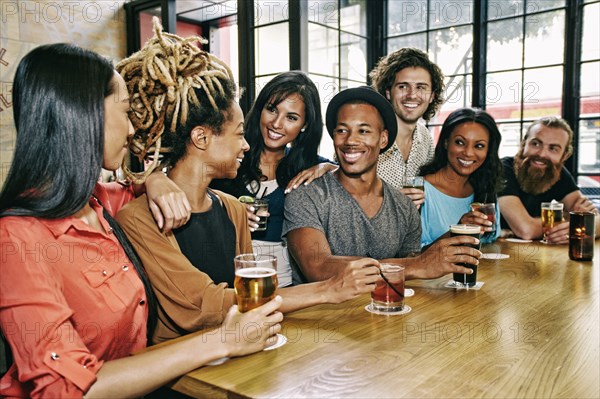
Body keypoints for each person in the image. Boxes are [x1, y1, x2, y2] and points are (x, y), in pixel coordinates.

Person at [0, 43, 282, 398]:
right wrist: (223, 341)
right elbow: (67, 390)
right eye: (125, 112)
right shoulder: (16, 238)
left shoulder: (103, 203)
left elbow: (140, 182)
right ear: (85, 116)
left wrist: (155, 179)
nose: (134, 130)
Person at [115, 19, 377, 345]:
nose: (247, 144)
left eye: (293, 117)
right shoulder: (139, 218)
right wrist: (327, 289)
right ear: (201, 137)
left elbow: (252, 299)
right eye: (239, 133)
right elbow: (202, 305)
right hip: (183, 372)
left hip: (242, 351)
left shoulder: (233, 210)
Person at [283, 86, 481, 285]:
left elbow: (411, 268)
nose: (351, 140)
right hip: (322, 316)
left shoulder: (404, 206)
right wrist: (416, 265)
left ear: (383, 138)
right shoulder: (305, 196)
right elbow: (318, 268)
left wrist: (433, 255)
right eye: (342, 130)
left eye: (364, 131)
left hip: (387, 311)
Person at [211, 71, 336, 287]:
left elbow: (352, 171)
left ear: (305, 125)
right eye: (272, 110)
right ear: (260, 109)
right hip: (228, 283)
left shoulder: (308, 166)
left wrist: (328, 167)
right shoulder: (230, 155)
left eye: (291, 118)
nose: (277, 124)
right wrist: (228, 210)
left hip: (284, 285)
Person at [498, 116, 599, 243]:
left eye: (553, 148)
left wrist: (580, 225)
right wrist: (571, 219)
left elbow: (595, 219)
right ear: (523, 144)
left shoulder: (556, 172)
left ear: (564, 156)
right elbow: (526, 230)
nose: (541, 154)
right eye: (535, 143)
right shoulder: (502, 169)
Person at [369, 47, 445, 208]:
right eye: (403, 86)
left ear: (432, 96)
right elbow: (343, 194)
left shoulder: (425, 138)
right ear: (388, 92)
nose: (412, 95)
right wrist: (389, 202)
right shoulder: (366, 134)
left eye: (421, 87)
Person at [418, 108, 503, 247]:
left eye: (479, 146)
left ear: (488, 151)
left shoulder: (485, 189)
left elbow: (491, 240)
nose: (468, 153)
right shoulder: (421, 192)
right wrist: (458, 231)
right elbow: (412, 256)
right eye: (460, 142)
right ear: (446, 143)